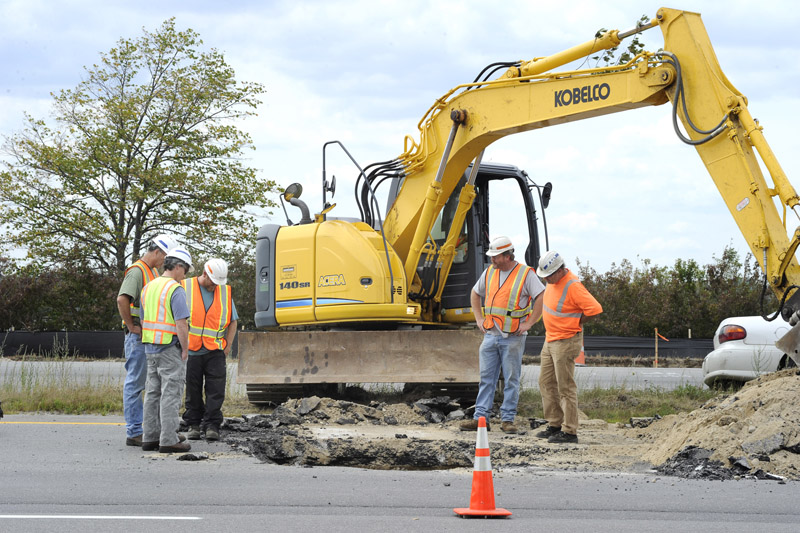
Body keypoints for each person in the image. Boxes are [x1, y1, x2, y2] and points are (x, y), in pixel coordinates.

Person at [460, 236, 544, 434]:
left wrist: (529, 323)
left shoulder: (525, 274)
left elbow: (541, 296)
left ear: (507, 256)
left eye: (496, 257)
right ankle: (481, 419)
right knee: (486, 378)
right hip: (491, 333)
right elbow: (475, 293)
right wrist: (479, 318)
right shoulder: (490, 272)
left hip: (513, 336)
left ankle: (507, 419)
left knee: (511, 379)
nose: (492, 260)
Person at [534, 251, 603, 444]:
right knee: (546, 382)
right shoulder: (552, 282)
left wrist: (576, 323)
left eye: (548, 276)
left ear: (559, 270)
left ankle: (570, 431)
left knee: (565, 387)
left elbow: (595, 309)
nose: (546, 279)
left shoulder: (573, 286)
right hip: (550, 339)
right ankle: (554, 423)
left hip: (565, 341)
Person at [116, 234, 177, 446]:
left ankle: (147, 430)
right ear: (157, 252)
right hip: (137, 338)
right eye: (164, 257)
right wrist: (131, 326)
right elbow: (122, 299)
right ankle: (134, 431)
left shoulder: (151, 272)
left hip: (148, 337)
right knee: (135, 383)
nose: (164, 262)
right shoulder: (137, 271)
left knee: (148, 384)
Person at [140, 247, 194, 453]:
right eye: (186, 270)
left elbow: (144, 319)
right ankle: (169, 439)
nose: (185, 275)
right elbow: (182, 323)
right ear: (178, 266)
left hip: (150, 347)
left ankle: (150, 437)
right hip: (169, 347)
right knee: (171, 394)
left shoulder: (149, 287)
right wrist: (186, 349)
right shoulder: (175, 289)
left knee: (153, 393)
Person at [182, 258, 239, 442]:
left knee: (216, 390)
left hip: (215, 350)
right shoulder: (185, 287)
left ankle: (212, 425)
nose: (215, 286)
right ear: (205, 274)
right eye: (213, 282)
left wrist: (228, 344)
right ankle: (194, 424)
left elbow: (233, 320)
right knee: (193, 390)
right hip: (192, 350)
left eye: (218, 283)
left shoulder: (224, 291)